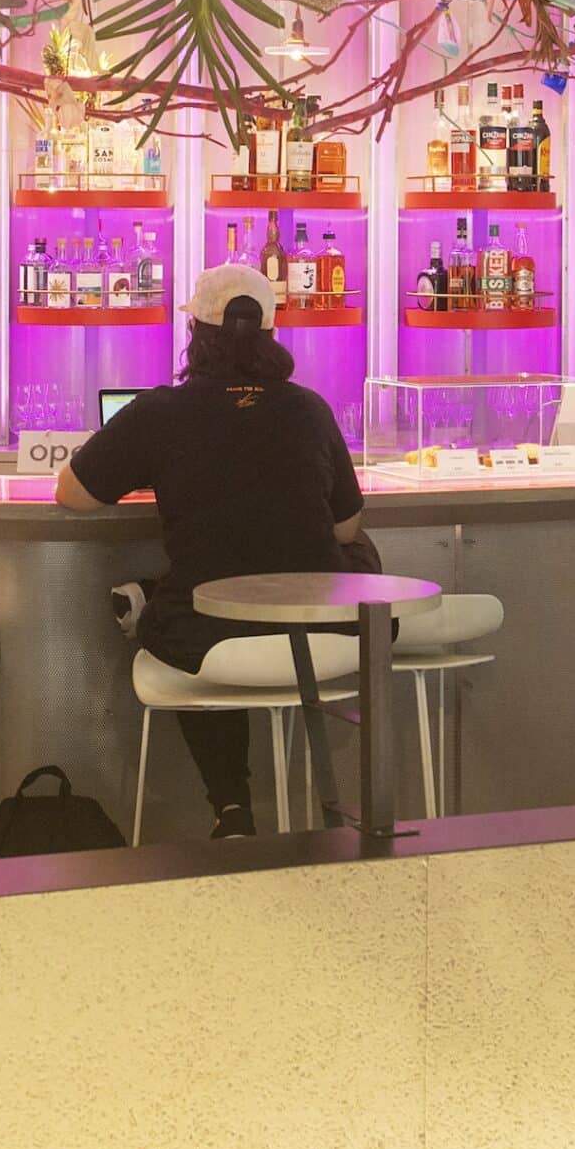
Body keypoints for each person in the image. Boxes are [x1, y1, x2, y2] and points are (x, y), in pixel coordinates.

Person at [55, 262, 370, 838]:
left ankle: (232, 808)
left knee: (202, 594)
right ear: (272, 333)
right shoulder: (310, 407)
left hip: (208, 635)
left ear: (194, 333)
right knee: (355, 552)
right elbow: (347, 528)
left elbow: (72, 494)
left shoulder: (161, 411)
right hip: (319, 633)